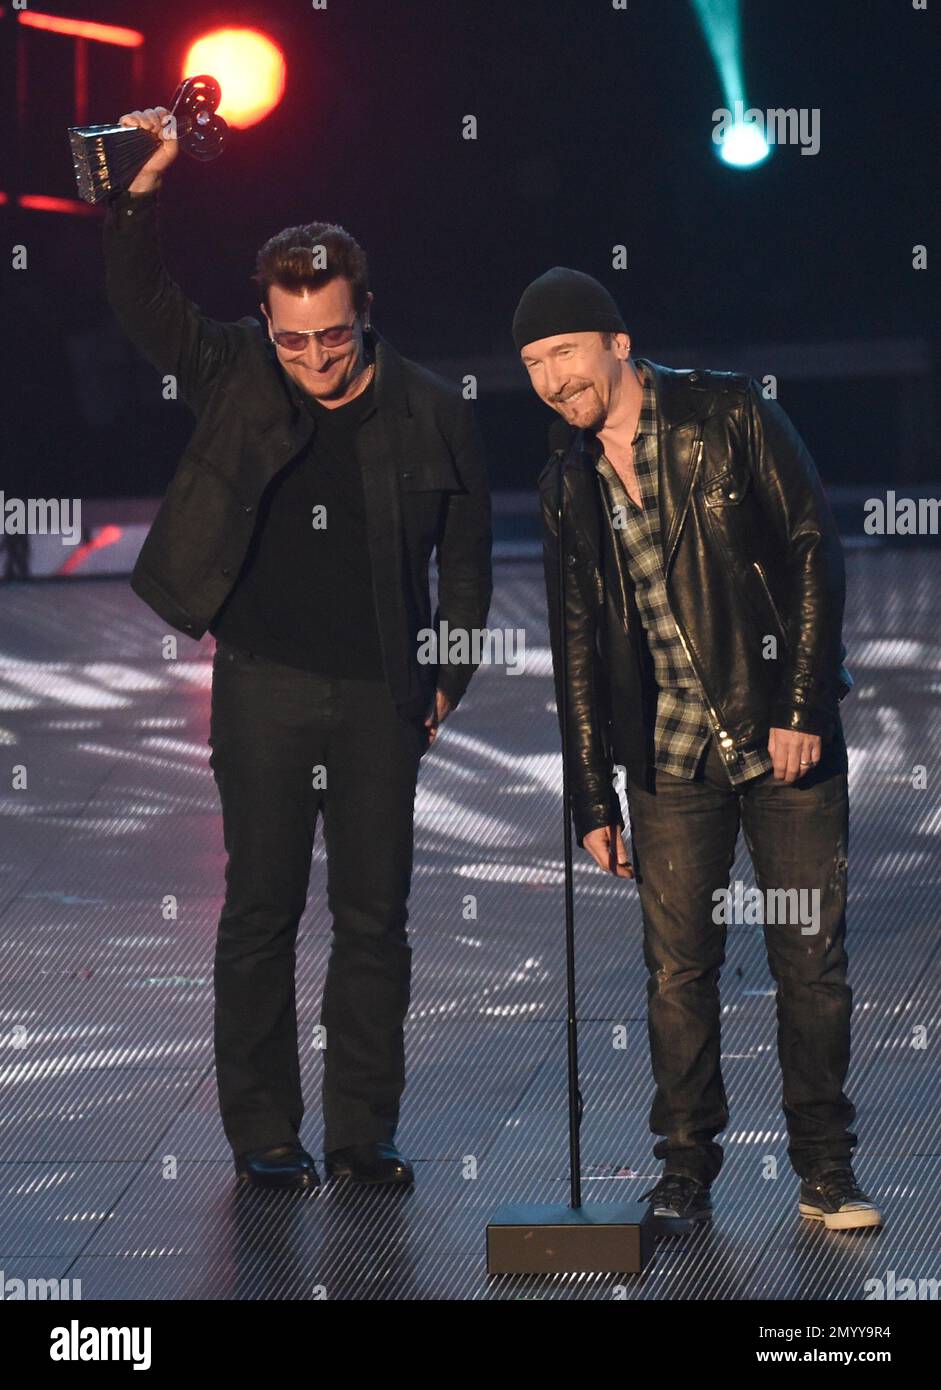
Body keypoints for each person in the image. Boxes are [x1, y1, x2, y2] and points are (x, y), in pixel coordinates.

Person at [104, 107, 492, 1192]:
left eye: (331, 334)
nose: (313, 358)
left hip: (381, 697)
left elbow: (466, 552)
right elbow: (144, 305)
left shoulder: (426, 409)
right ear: (265, 324)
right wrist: (142, 190)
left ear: (365, 311)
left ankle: (365, 1133)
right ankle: (265, 1134)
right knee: (260, 912)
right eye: (291, 338)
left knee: (375, 920)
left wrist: (447, 676)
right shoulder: (235, 371)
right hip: (263, 686)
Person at [514, 266, 882, 1232]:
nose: (552, 379)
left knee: (809, 960)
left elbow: (812, 547)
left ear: (616, 344)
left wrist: (801, 699)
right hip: (671, 757)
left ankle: (825, 1170)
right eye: (532, 365)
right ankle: (683, 1173)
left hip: (781, 736)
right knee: (677, 972)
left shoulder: (726, 415)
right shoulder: (568, 483)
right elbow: (581, 645)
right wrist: (591, 795)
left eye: (562, 354)